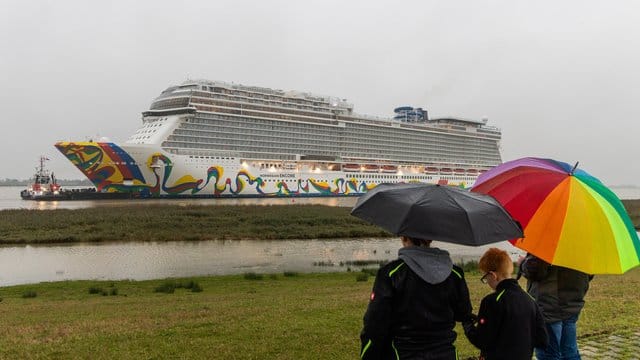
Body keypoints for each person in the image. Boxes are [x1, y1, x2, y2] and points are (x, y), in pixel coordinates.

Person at [360, 236, 473, 360]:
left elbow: (374, 325)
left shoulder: (390, 274)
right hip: (446, 353)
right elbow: (463, 314)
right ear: (431, 239)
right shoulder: (455, 274)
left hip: (404, 353)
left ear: (404, 238)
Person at [463, 248, 547, 360]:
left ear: (493, 275)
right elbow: (542, 340)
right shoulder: (530, 300)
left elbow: (482, 340)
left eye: (485, 278)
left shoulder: (491, 301)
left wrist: (467, 324)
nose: (486, 282)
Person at [519, 253, 592, 360]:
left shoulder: (549, 239)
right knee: (569, 353)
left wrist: (522, 264)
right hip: (572, 303)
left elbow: (536, 269)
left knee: (548, 354)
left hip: (549, 306)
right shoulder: (584, 243)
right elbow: (589, 273)